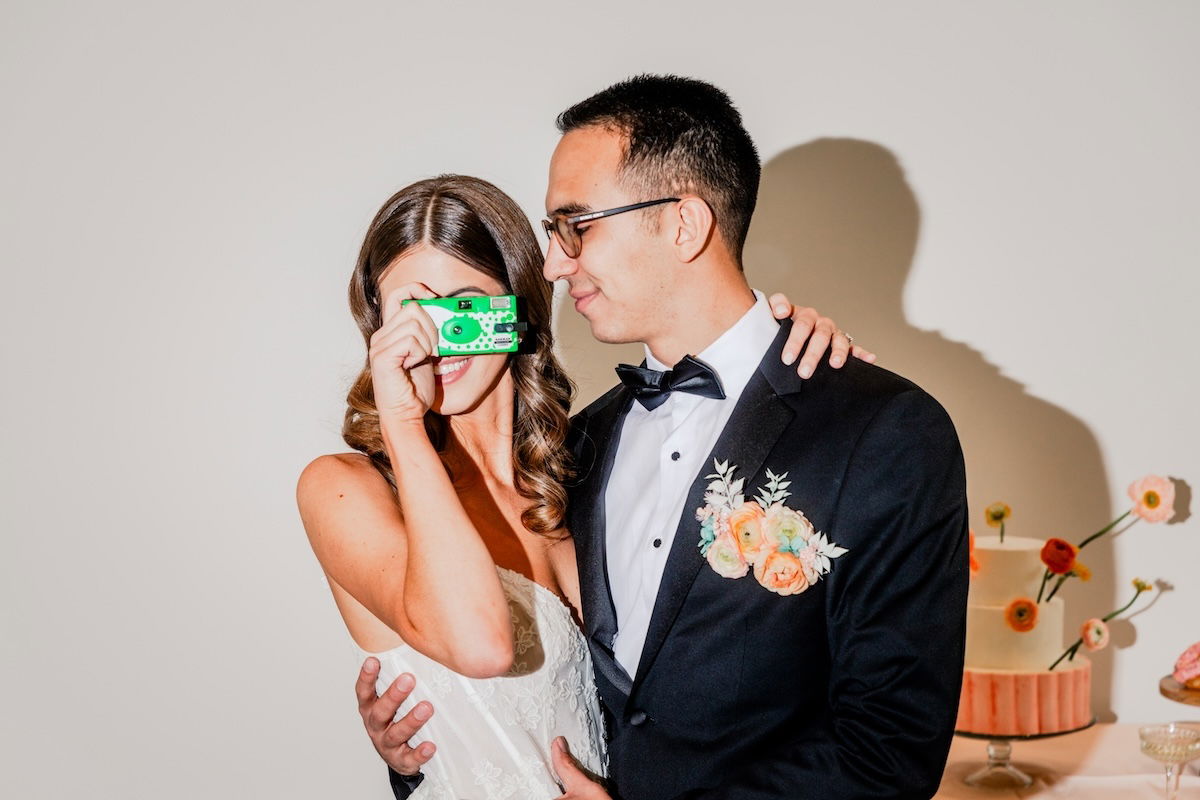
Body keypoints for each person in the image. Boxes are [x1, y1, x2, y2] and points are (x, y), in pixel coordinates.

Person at [364, 75, 969, 800]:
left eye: (575, 226)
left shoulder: (882, 432)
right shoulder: (573, 451)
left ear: (684, 224)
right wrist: (420, 753)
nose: (554, 264)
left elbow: (888, 755)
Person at [298, 175, 864, 798]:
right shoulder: (345, 488)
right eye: (409, 307)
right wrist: (402, 422)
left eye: (460, 303)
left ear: (513, 310)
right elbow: (481, 649)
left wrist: (784, 350)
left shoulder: (584, 468)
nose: (433, 334)